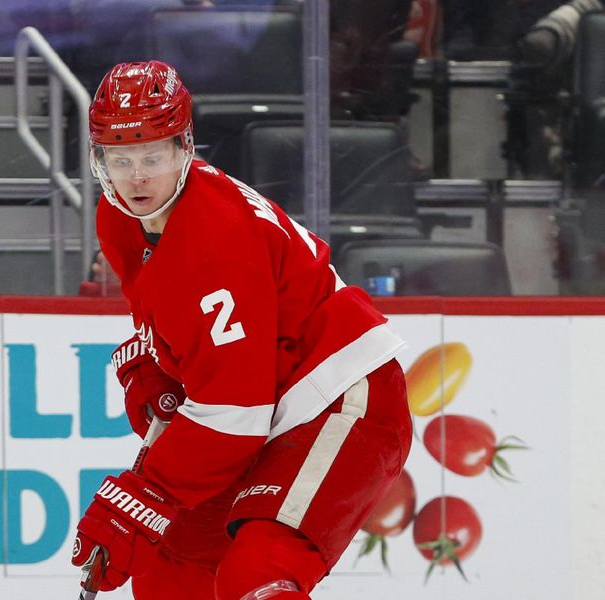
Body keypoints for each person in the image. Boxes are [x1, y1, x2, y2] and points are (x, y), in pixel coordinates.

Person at [70, 61, 412, 600]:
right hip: (265, 403)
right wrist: (152, 362)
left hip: (339, 400)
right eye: (120, 158)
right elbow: (181, 328)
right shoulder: (119, 217)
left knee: (257, 573)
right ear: (100, 160)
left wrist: (145, 493)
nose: (136, 177)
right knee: (170, 569)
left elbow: (233, 409)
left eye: (153, 156)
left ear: (185, 148)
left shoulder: (214, 237)